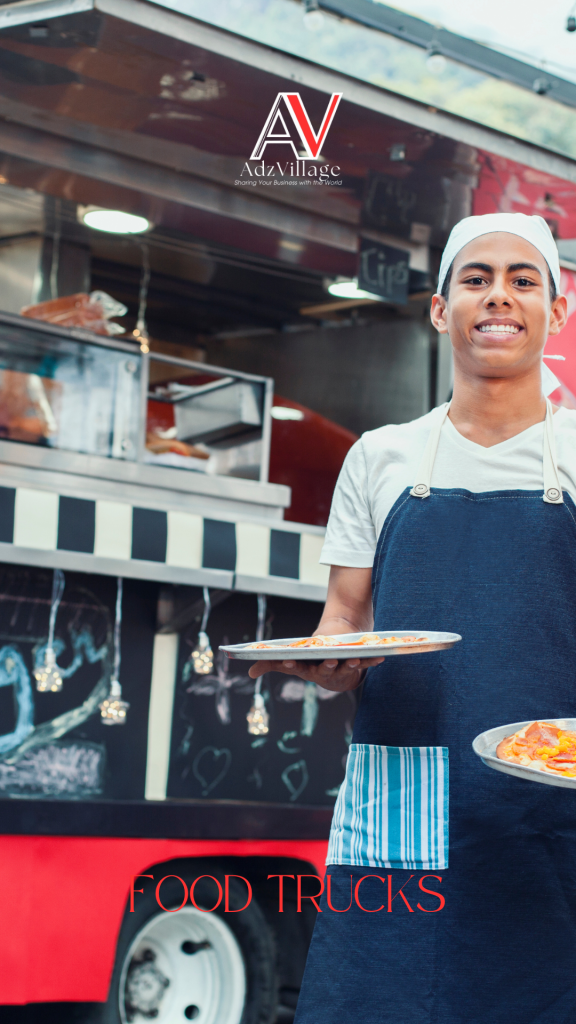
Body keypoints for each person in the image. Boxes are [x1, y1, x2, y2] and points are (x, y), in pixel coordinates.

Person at [249, 212, 576, 1024]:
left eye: (522, 279)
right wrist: (325, 664)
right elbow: (345, 619)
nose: (497, 297)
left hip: (557, 807)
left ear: (557, 314)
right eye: (476, 278)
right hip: (406, 800)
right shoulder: (381, 456)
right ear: (440, 310)